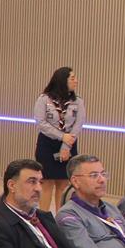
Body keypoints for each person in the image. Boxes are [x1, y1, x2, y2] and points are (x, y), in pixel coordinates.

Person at [33, 67, 86, 212]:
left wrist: (66, 146)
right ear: (62, 80)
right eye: (72, 78)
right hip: (47, 144)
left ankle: (61, 218)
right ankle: (44, 218)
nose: (76, 81)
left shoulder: (78, 101)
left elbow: (78, 124)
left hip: (69, 144)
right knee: (46, 183)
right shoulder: (44, 99)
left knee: (63, 184)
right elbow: (41, 122)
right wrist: (62, 136)